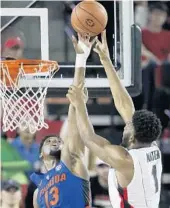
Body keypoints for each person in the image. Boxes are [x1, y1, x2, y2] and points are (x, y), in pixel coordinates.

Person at [67, 30, 162, 208]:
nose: (125, 126)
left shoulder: (125, 160)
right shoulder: (150, 145)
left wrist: (80, 104)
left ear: (133, 137)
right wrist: (105, 60)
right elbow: (126, 106)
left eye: (128, 127)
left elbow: (89, 138)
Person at [31, 34, 95, 208]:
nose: (54, 142)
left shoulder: (72, 164)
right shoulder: (38, 191)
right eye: (49, 141)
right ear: (40, 154)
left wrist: (81, 60)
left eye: (57, 141)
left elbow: (74, 110)